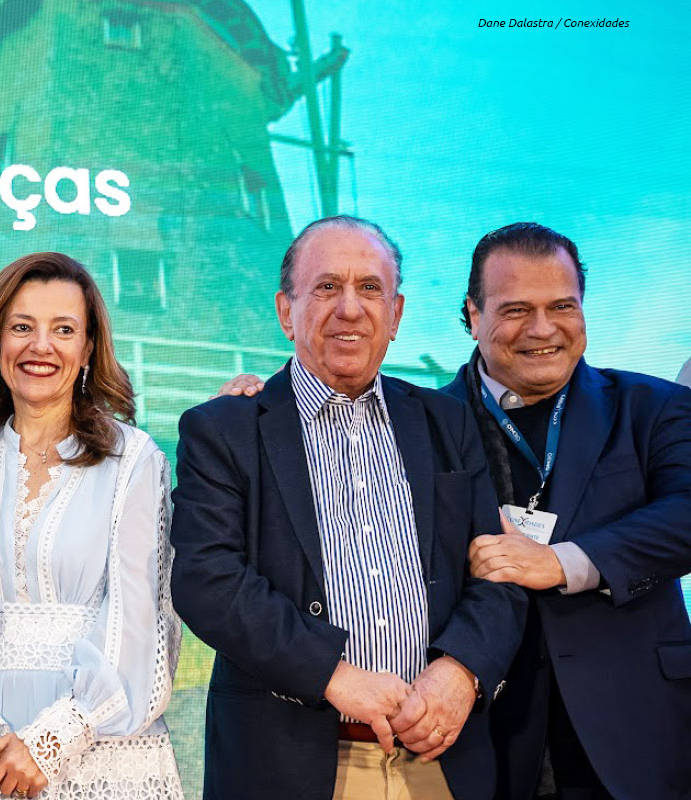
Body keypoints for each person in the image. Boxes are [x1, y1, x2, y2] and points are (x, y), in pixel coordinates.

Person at [172, 216, 526, 800]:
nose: (350, 308)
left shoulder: (448, 422)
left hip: (440, 763)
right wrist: (331, 675)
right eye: (327, 287)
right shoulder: (225, 429)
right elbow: (206, 580)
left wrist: (461, 670)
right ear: (286, 312)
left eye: (369, 288)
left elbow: (495, 568)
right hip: (290, 765)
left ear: (396, 314)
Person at [0, 252, 182, 800]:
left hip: (97, 748)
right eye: (22, 327)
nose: (41, 346)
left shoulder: (135, 462)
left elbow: (142, 622)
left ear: (87, 349)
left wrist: (49, 743)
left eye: (63, 330)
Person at [448, 223, 691, 799]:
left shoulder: (655, 406)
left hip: (638, 737)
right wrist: (255, 407)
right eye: (516, 310)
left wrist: (563, 562)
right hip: (478, 741)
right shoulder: (421, 424)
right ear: (473, 314)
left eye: (562, 306)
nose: (542, 328)